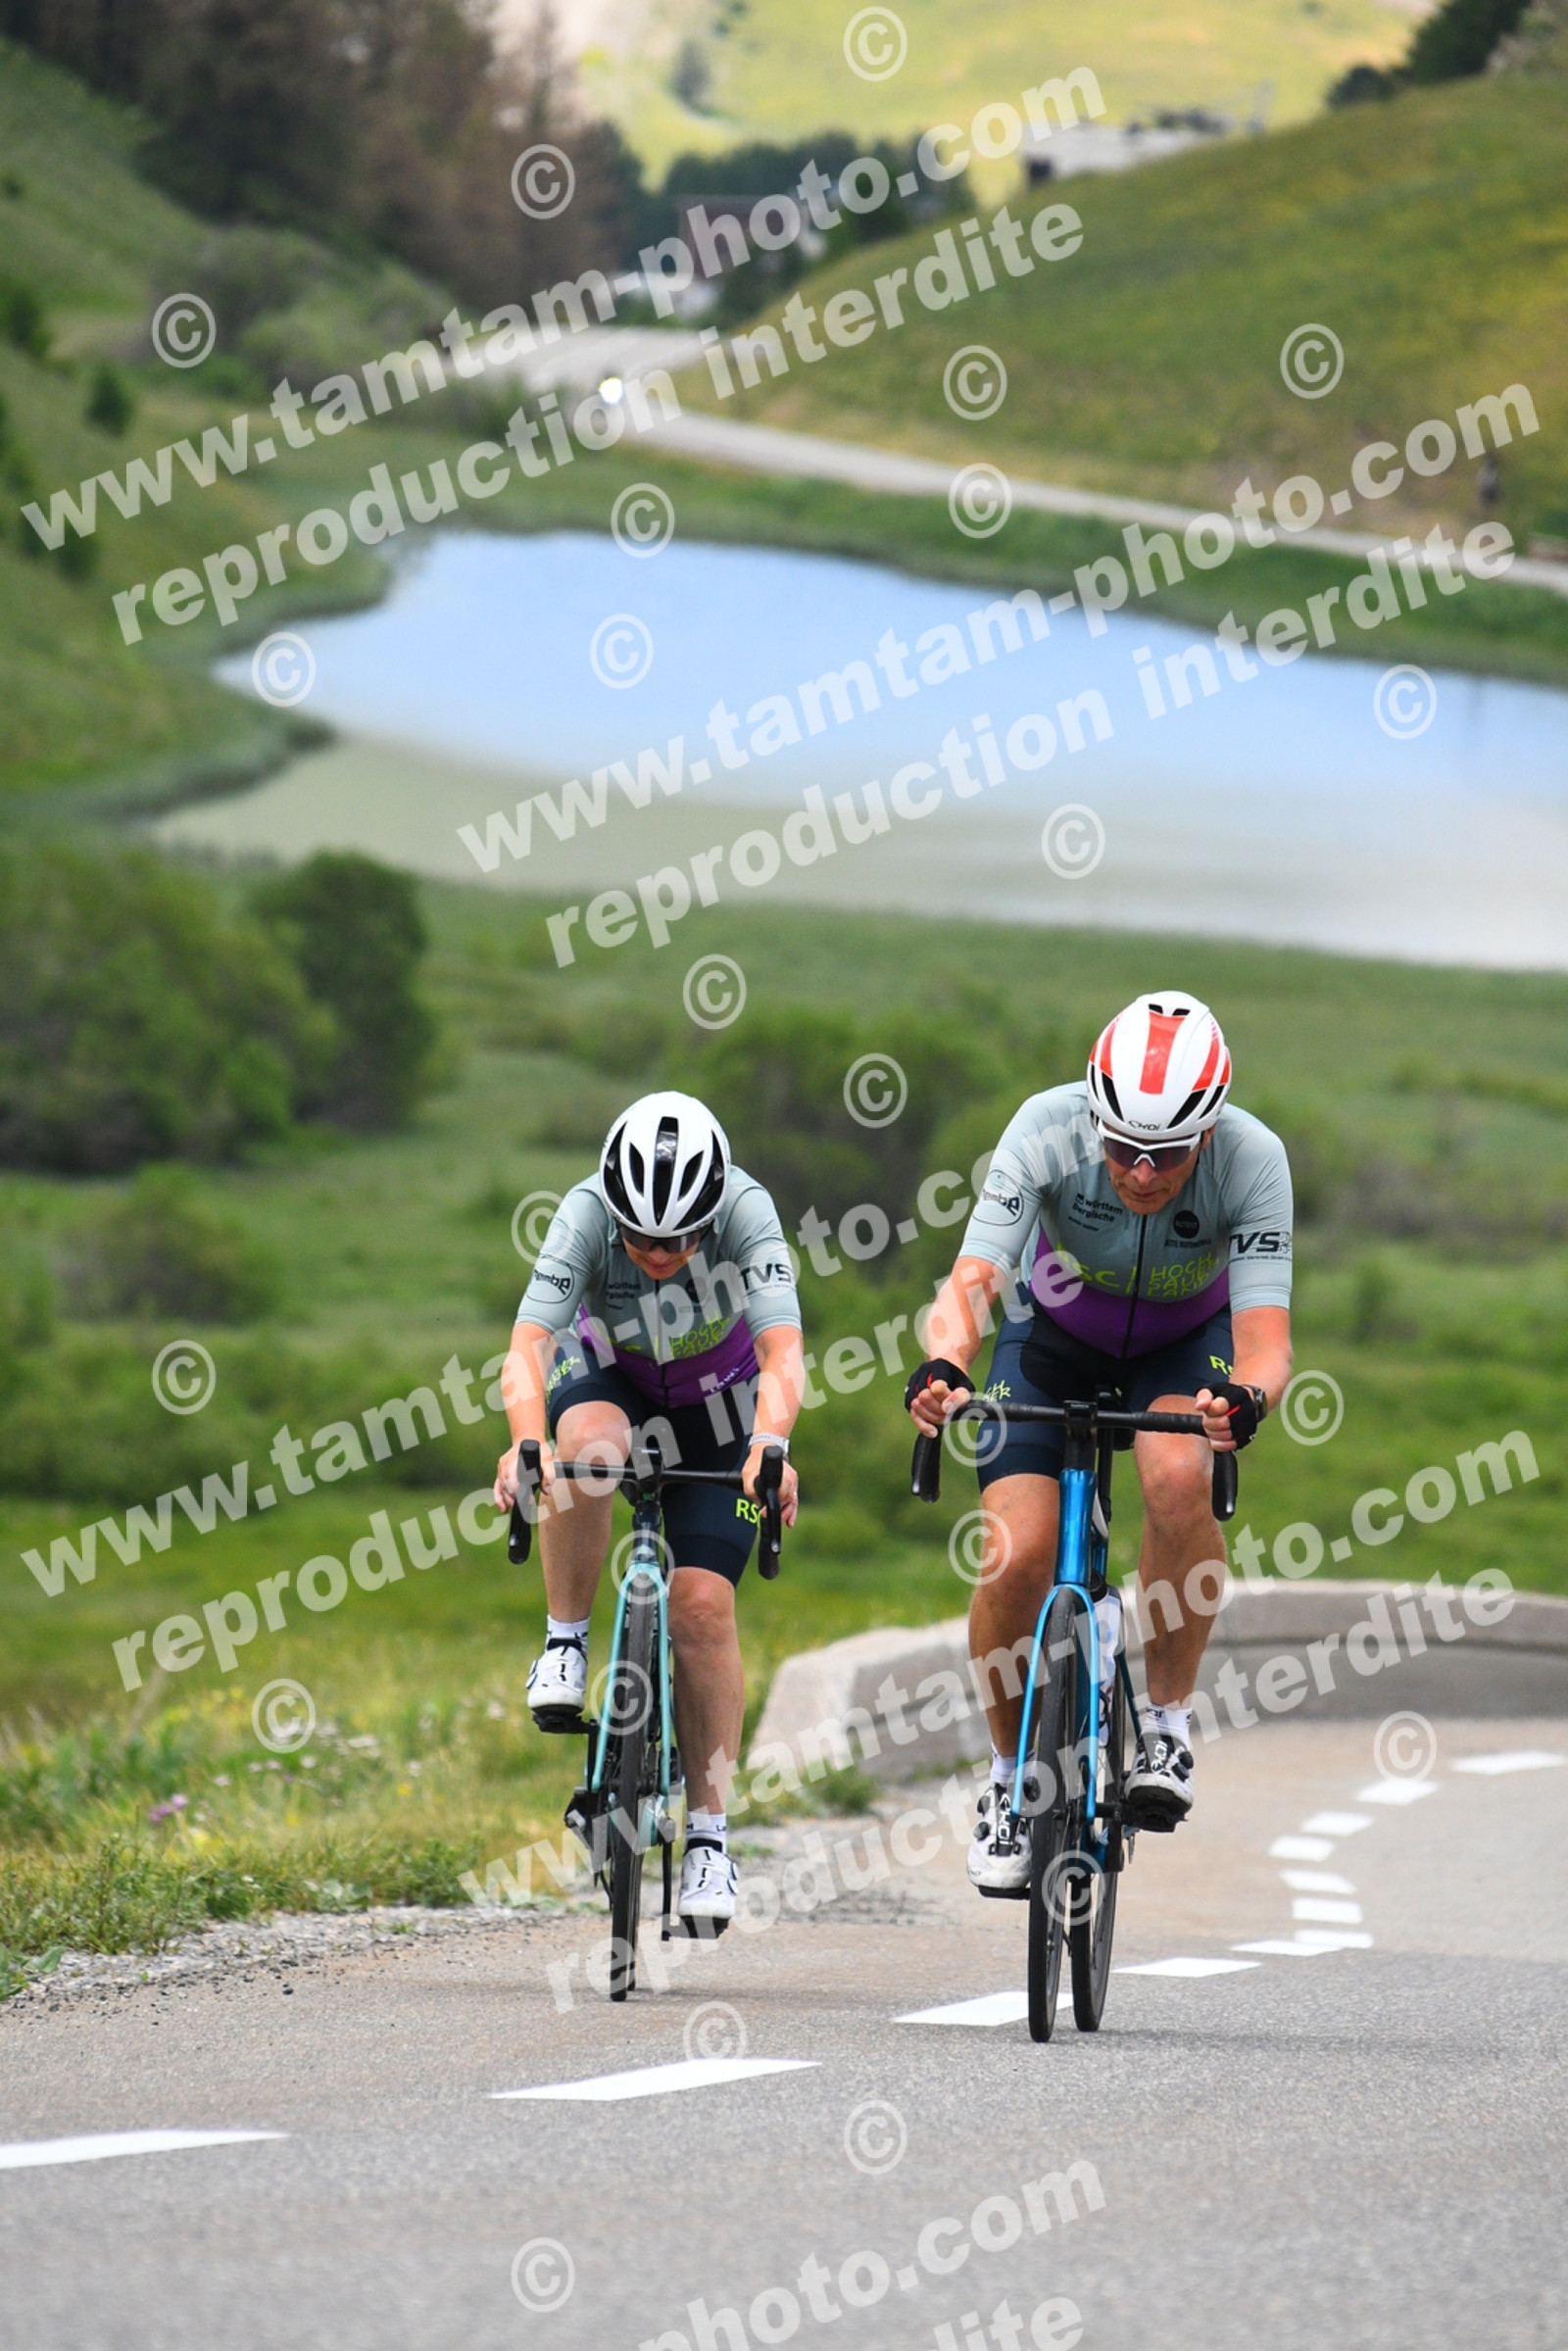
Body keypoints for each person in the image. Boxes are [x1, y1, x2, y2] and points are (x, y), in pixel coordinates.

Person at [905, 992, 1293, 1892]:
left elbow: (1267, 1342)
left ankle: (1165, 1726)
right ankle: (1008, 1781)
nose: (1142, 1172)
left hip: (1180, 1347)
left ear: (1209, 1130)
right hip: (1050, 1339)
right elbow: (974, 1278)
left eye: (1169, 1155)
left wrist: (1246, 1397)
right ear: (1094, 1116)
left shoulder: (1253, 1157)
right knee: (1017, 1553)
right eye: (1121, 1147)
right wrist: (945, 1362)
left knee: (1175, 1475)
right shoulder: (1044, 1126)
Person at [493, 1091, 804, 1924]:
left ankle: (709, 1840)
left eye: (679, 1239)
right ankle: (564, 1643)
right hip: (610, 1377)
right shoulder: (585, 1210)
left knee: (701, 1607)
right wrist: (526, 1442)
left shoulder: (748, 1211)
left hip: (721, 1401)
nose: (658, 1253)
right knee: (588, 1450)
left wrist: (769, 1442)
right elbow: (529, 1343)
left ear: (711, 1213)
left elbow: (782, 1348)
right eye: (639, 1238)